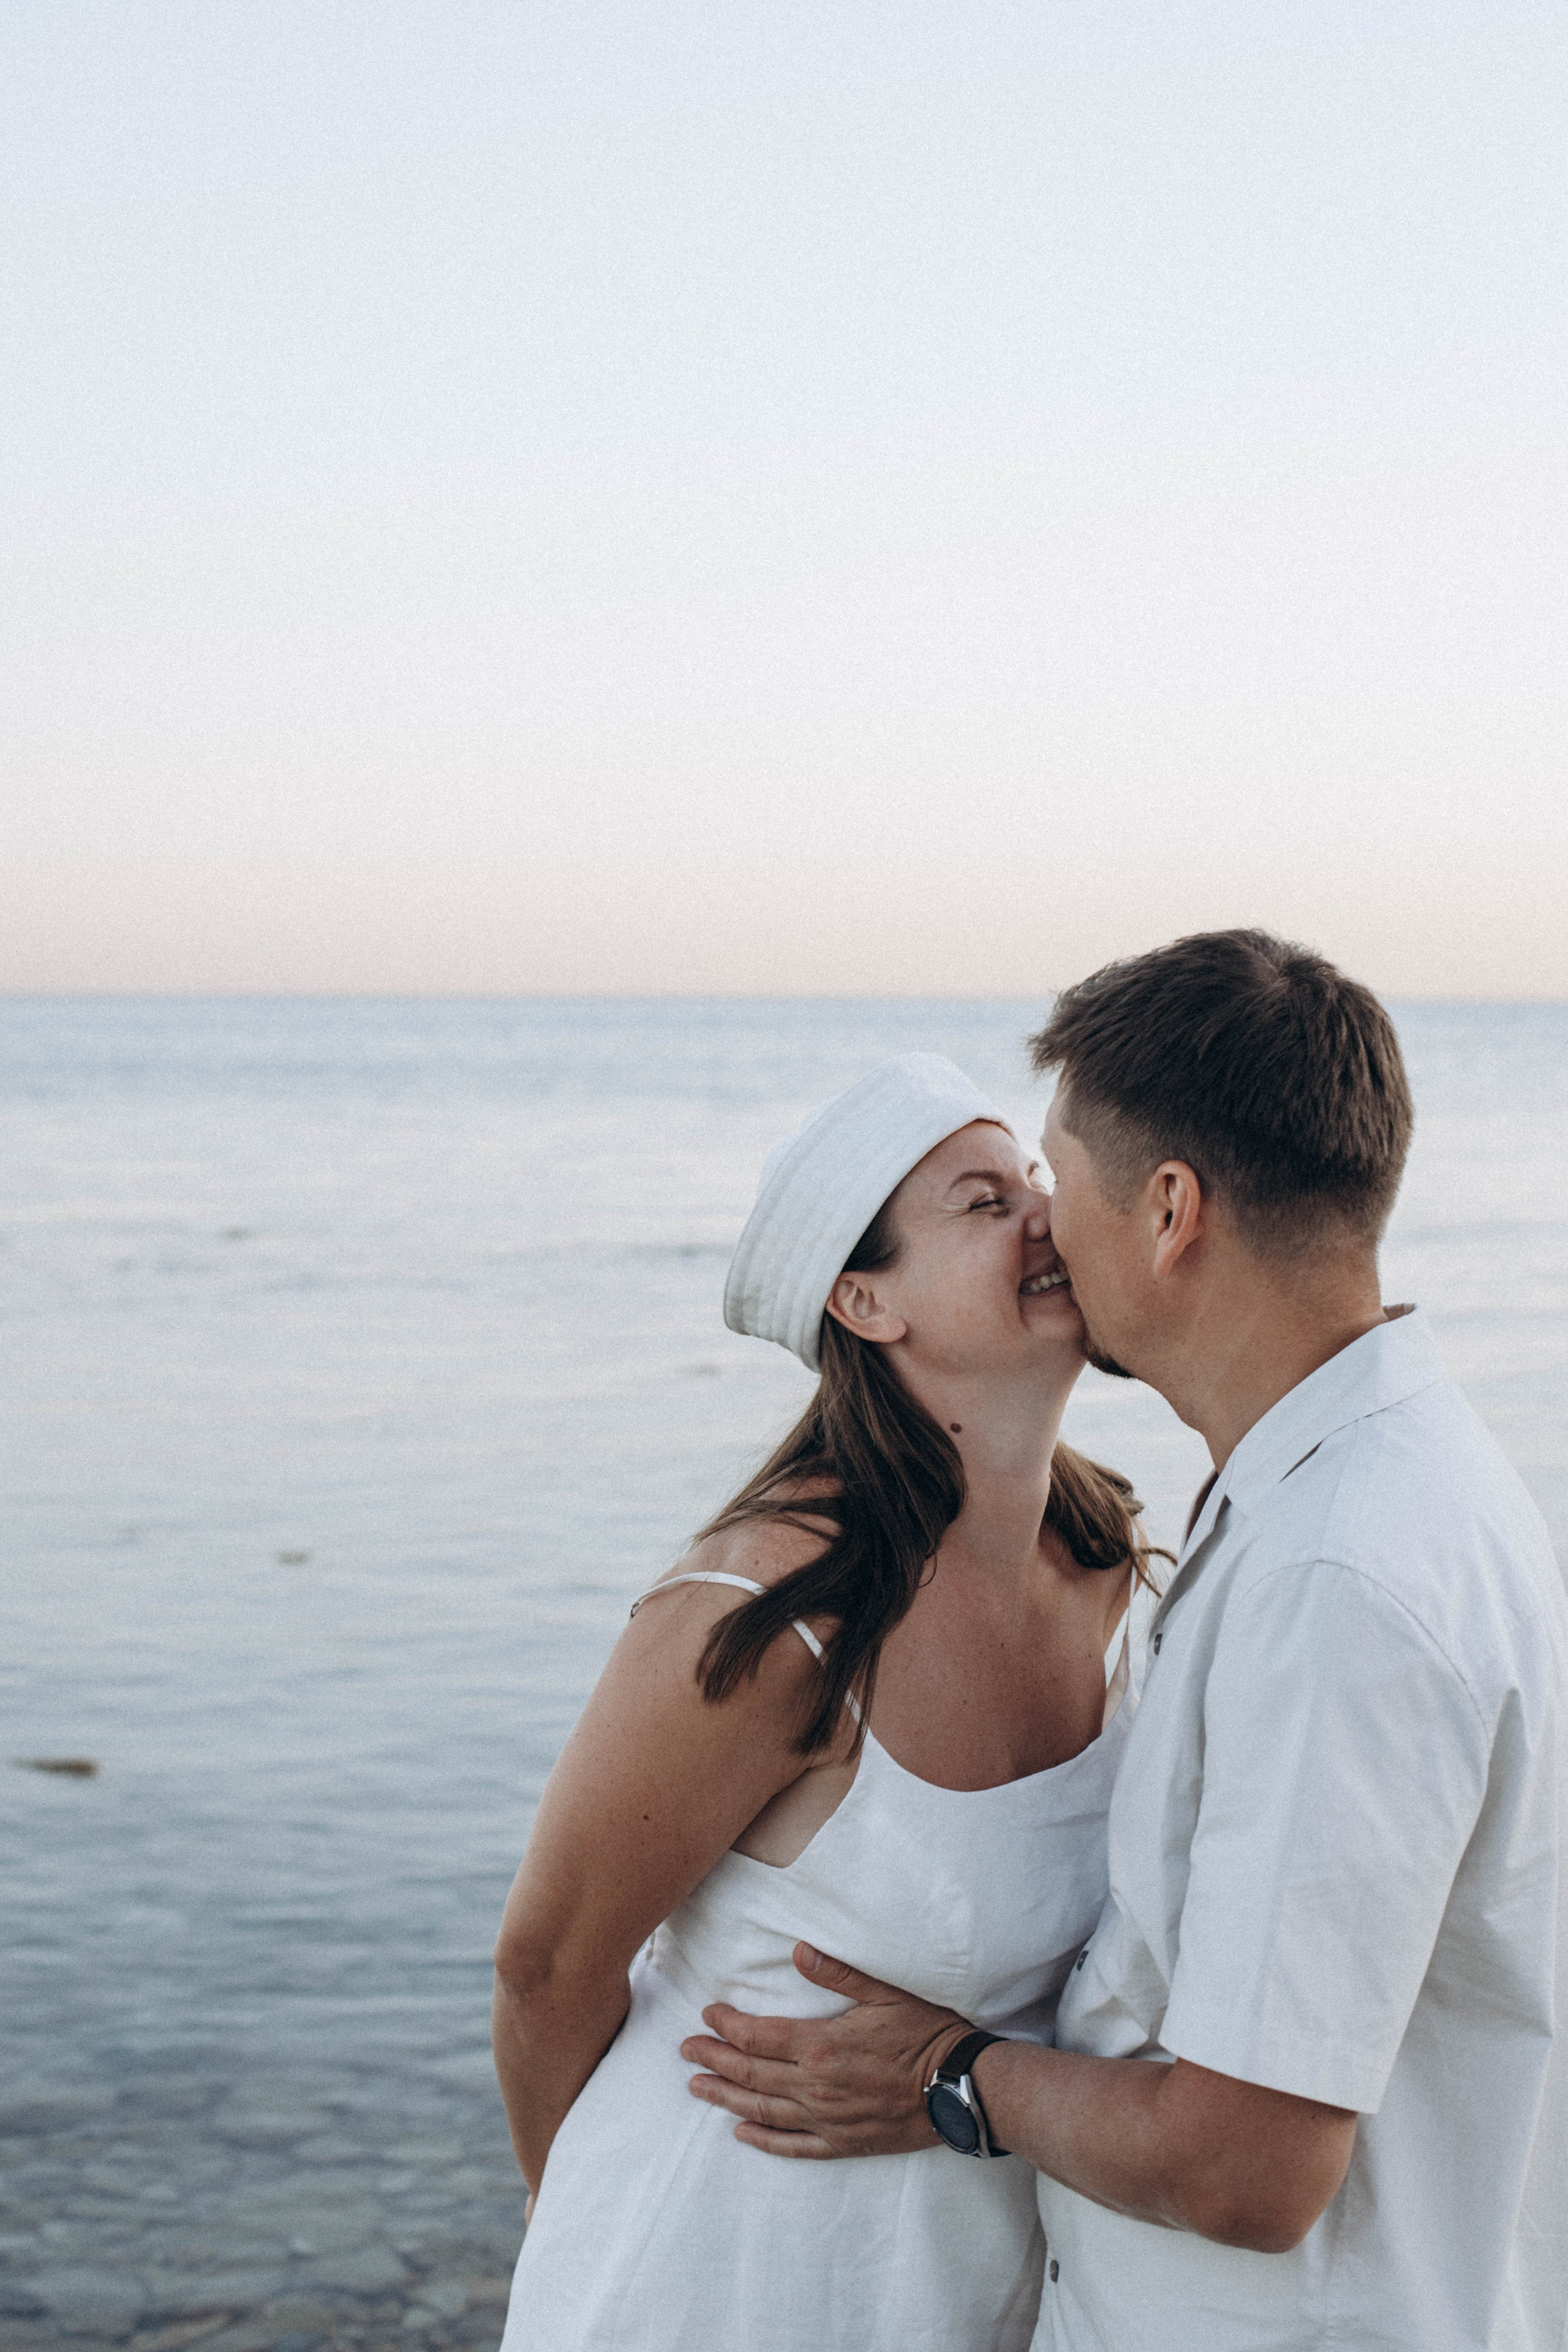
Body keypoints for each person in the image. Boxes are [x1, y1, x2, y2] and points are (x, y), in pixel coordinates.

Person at [684, 932, 1568, 2352]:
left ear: (1166, 1211)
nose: (1041, 1228)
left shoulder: (1336, 1579)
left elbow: (1245, 2167)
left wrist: (945, 2073)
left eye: (1055, 1178)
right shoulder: (1360, 1482)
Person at [491, 1052, 1166, 2351]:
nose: (1046, 1215)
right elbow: (546, 1966)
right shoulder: (771, 1614)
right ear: (864, 1301)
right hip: (705, 2282)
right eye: (984, 1204)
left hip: (970, 2291)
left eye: (1036, 1180)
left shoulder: (1097, 1561)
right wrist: (569, 2204)